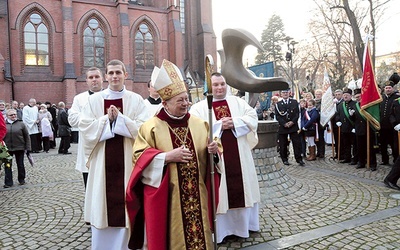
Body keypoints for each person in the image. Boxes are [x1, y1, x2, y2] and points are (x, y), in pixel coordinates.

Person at [126, 59, 219, 249]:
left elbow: (213, 156)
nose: (186, 103)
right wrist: (167, 157)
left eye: (186, 99)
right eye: (180, 100)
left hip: (197, 195)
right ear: (165, 103)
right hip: (168, 199)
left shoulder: (200, 124)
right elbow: (139, 158)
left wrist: (214, 152)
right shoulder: (150, 127)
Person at [79, 59, 150, 249]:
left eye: (118, 72)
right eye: (111, 73)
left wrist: (121, 120)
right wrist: (106, 120)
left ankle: (129, 244)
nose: (114, 76)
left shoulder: (135, 100)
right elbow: (85, 127)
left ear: (125, 75)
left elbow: (144, 128)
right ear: (106, 76)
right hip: (102, 161)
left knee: (128, 201)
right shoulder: (94, 100)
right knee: (103, 203)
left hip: (128, 159)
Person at [190, 72, 260, 243]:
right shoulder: (200, 107)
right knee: (220, 193)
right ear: (210, 87)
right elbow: (194, 127)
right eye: (216, 85)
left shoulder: (238, 102)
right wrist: (220, 125)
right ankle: (221, 231)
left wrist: (235, 122)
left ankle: (243, 227)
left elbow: (253, 118)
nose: (220, 88)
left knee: (242, 189)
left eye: (222, 84)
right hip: (216, 158)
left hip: (240, 155)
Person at [68, 67, 104, 188]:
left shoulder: (110, 96)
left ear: (103, 79)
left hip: (106, 144)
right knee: (89, 186)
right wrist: (96, 121)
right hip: (87, 147)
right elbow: (72, 120)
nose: (94, 80)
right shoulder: (79, 99)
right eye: (91, 77)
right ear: (86, 81)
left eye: (97, 77)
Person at [275, 89, 305, 166]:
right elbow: (278, 116)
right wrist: (284, 123)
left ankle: (299, 159)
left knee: (296, 143)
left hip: (293, 126)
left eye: (286, 92)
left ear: (289, 93)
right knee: (283, 144)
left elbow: (297, 114)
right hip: (283, 126)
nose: (285, 94)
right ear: (281, 94)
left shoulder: (294, 102)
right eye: (283, 92)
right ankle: (284, 159)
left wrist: (292, 122)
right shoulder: (278, 104)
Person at [3, 109, 31, 188]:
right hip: (7, 148)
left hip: (19, 147)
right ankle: (8, 182)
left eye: (15, 114)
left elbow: (26, 136)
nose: (13, 116)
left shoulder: (21, 124)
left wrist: (28, 147)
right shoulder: (4, 124)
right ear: (7, 116)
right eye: (11, 115)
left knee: (20, 164)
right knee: (8, 165)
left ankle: (21, 179)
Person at [353, 89, 378, 171]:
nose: (357, 98)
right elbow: (353, 119)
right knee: (360, 147)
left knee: (371, 147)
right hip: (359, 129)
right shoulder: (355, 105)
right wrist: (351, 115)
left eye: (359, 96)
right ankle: (361, 162)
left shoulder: (368, 105)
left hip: (368, 129)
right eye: (356, 97)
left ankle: (372, 164)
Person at [380, 73, 400, 165]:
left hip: (393, 126)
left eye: (389, 88)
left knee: (394, 145)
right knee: (383, 145)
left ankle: (396, 161)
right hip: (382, 126)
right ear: (384, 89)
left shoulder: (397, 97)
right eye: (386, 88)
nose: (388, 89)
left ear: (393, 89)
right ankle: (385, 160)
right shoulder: (382, 98)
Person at [336, 88, 357, 165]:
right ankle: (347, 157)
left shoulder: (355, 104)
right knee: (346, 144)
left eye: (347, 95)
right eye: (344, 95)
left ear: (351, 96)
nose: (345, 97)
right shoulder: (340, 105)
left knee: (355, 144)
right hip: (344, 128)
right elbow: (337, 114)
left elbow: (357, 116)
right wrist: (338, 121)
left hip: (352, 127)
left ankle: (355, 159)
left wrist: (355, 127)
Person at [331, 89, 344, 159]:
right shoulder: (334, 103)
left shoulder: (343, 102)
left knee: (342, 140)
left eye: (339, 94)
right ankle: (337, 153)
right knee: (336, 139)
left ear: (342, 95)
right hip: (334, 124)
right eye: (336, 95)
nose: (337, 96)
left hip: (341, 124)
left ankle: (342, 154)